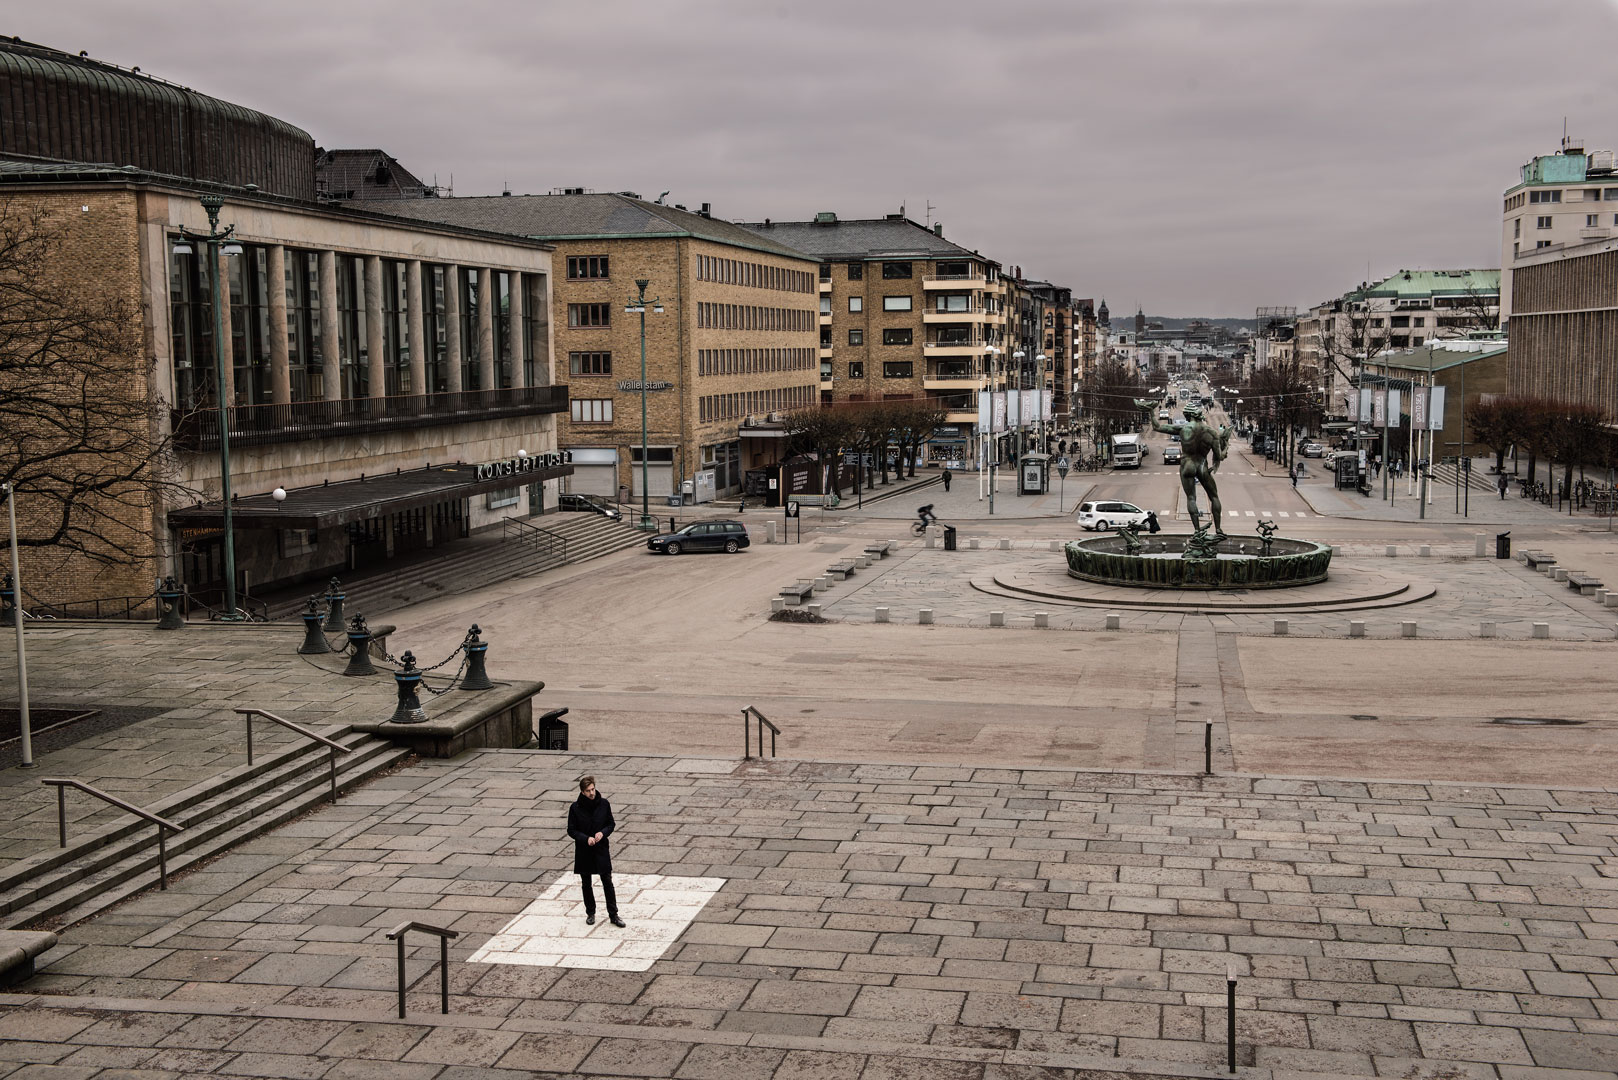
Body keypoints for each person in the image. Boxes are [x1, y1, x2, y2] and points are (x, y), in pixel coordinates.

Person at [1135, 399, 1232, 535]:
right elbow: (1220, 456)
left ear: (1189, 415)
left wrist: (1151, 410)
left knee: (1191, 498)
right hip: (1202, 466)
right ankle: (1218, 529)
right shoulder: (1212, 433)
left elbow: (1157, 427)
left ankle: (1197, 531)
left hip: (1187, 465)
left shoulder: (1182, 428)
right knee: (1214, 497)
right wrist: (1226, 445)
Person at [567, 776, 624, 927]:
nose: (592, 793)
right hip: (584, 850)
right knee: (586, 883)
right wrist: (585, 839)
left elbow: (611, 824)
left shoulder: (604, 804)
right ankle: (590, 913)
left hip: (601, 849)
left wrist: (602, 833)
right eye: (588, 791)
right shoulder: (575, 808)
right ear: (582, 792)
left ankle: (614, 914)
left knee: (607, 881)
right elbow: (571, 830)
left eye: (593, 789)